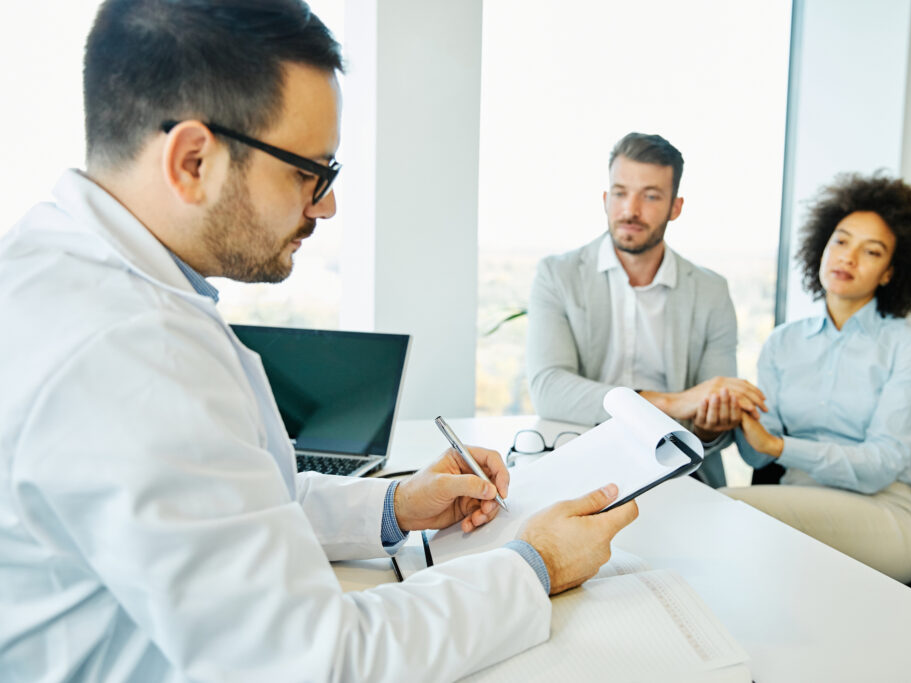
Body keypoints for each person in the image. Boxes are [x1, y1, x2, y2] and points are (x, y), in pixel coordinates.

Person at [0, 1, 638, 680]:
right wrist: (533, 564)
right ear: (191, 160)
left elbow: (236, 506)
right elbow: (319, 661)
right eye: (309, 171)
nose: (325, 205)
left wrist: (396, 503)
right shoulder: (133, 352)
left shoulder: (67, 267)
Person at [722, 172, 911, 583]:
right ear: (821, 248)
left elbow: (881, 465)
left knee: (724, 508)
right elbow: (759, 456)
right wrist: (741, 422)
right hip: (794, 504)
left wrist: (779, 445)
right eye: (841, 241)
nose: (848, 257)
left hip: (884, 514)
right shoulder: (783, 342)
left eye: (871, 252)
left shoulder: (910, 348)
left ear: (889, 273)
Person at [526, 132, 766, 487]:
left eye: (650, 196)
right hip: (581, 462)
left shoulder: (711, 291)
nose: (630, 211)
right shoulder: (557, 275)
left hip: (679, 471)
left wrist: (707, 424)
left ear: (676, 207)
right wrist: (673, 403)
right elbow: (549, 389)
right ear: (606, 199)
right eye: (621, 193)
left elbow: (711, 418)